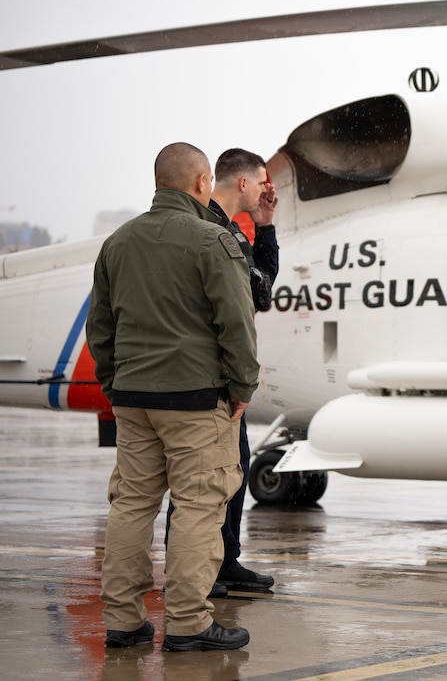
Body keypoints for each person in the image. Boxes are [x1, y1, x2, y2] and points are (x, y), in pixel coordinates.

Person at [87, 143, 259, 651]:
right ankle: (187, 623)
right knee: (198, 508)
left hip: (133, 399)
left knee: (131, 505)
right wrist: (242, 387)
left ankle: (123, 620)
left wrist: (115, 382)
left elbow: (101, 327)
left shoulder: (117, 243)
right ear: (203, 182)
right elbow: (237, 325)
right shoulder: (212, 241)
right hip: (195, 400)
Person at [163, 148, 278, 596]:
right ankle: (195, 571)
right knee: (199, 481)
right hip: (204, 375)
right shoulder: (206, 230)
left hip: (227, 377)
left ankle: (224, 559)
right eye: (264, 181)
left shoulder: (235, 232)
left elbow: (261, 292)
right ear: (244, 182)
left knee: (233, 470)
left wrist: (266, 227)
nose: (270, 189)